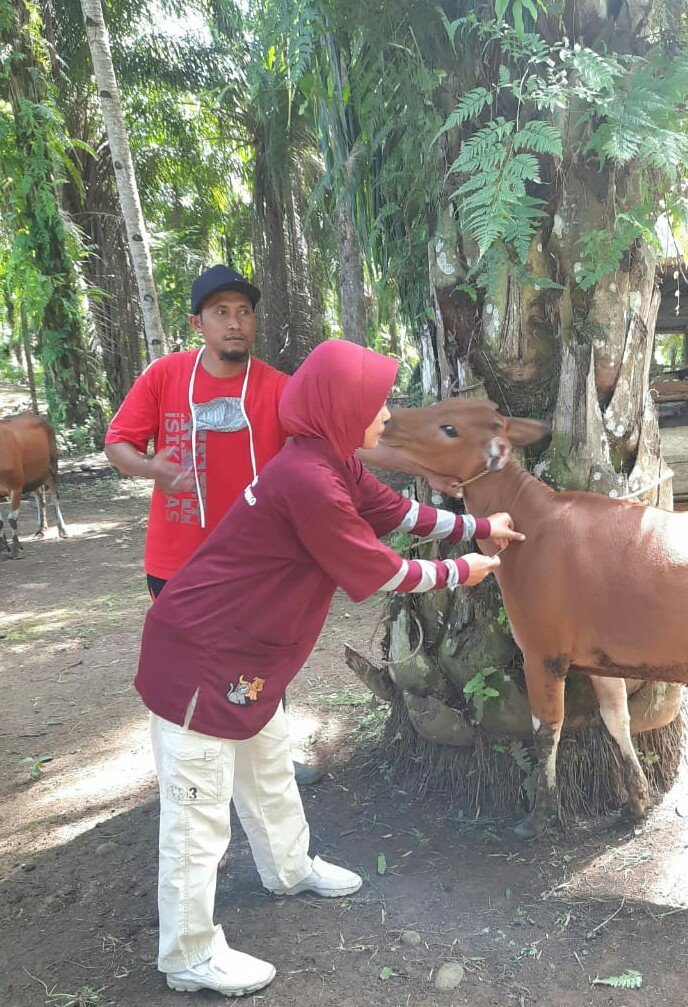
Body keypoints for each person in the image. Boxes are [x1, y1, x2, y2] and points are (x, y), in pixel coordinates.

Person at [135, 339, 524, 997]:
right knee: (197, 813)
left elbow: (395, 512)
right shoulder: (309, 480)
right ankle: (188, 954)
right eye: (375, 406)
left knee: (266, 763)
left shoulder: (328, 459)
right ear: (340, 408)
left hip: (247, 664)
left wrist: (474, 525)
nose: (385, 418)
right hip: (201, 663)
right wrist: (465, 567)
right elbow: (379, 568)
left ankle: (288, 868)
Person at [104, 265, 461, 780]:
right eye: (220, 313)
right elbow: (119, 442)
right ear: (196, 323)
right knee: (194, 662)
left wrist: (428, 470)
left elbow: (354, 437)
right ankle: (198, 773)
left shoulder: (279, 388)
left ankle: (270, 762)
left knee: (261, 654)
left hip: (255, 565)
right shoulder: (164, 376)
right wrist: (150, 468)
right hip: (177, 557)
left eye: (244, 312)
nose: (234, 323)